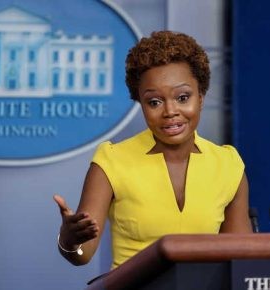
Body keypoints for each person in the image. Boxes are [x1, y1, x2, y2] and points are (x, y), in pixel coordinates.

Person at [54, 30, 251, 269]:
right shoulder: (112, 161)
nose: (170, 111)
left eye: (182, 97)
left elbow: (241, 257)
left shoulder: (228, 164)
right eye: (154, 102)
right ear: (141, 103)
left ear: (200, 96)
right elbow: (82, 254)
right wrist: (69, 241)